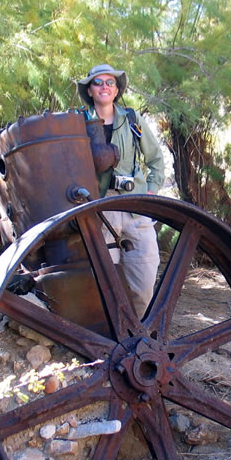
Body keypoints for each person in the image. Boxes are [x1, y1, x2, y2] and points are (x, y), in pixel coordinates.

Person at [76, 63, 165, 317]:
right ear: (90, 90)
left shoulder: (133, 120)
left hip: (135, 209)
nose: (104, 87)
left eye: (109, 83)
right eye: (97, 83)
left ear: (116, 90)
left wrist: (151, 192)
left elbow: (156, 159)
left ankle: (138, 336)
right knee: (101, 282)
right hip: (99, 212)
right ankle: (110, 339)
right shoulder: (78, 123)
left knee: (144, 280)